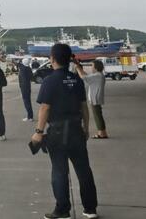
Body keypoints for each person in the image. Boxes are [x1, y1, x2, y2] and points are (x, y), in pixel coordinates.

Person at [31, 44, 98, 219]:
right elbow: (84, 106)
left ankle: (62, 210)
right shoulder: (76, 80)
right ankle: (90, 209)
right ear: (69, 59)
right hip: (77, 129)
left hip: (58, 132)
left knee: (60, 171)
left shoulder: (49, 81)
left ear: (52, 59)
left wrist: (39, 131)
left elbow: (45, 108)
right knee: (84, 170)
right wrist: (86, 128)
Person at [75, 59, 108, 139]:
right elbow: (87, 76)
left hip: (95, 99)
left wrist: (77, 68)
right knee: (98, 115)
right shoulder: (98, 75)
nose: (91, 68)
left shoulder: (97, 76)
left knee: (97, 116)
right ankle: (102, 132)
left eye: (92, 66)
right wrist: (80, 68)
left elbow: (83, 77)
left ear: (96, 68)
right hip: (96, 98)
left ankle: (102, 133)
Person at [17, 57, 35, 121]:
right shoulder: (28, 69)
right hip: (28, 86)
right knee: (28, 101)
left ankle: (30, 117)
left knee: (26, 102)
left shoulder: (22, 68)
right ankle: (30, 116)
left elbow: (18, 63)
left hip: (24, 87)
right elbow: (32, 78)